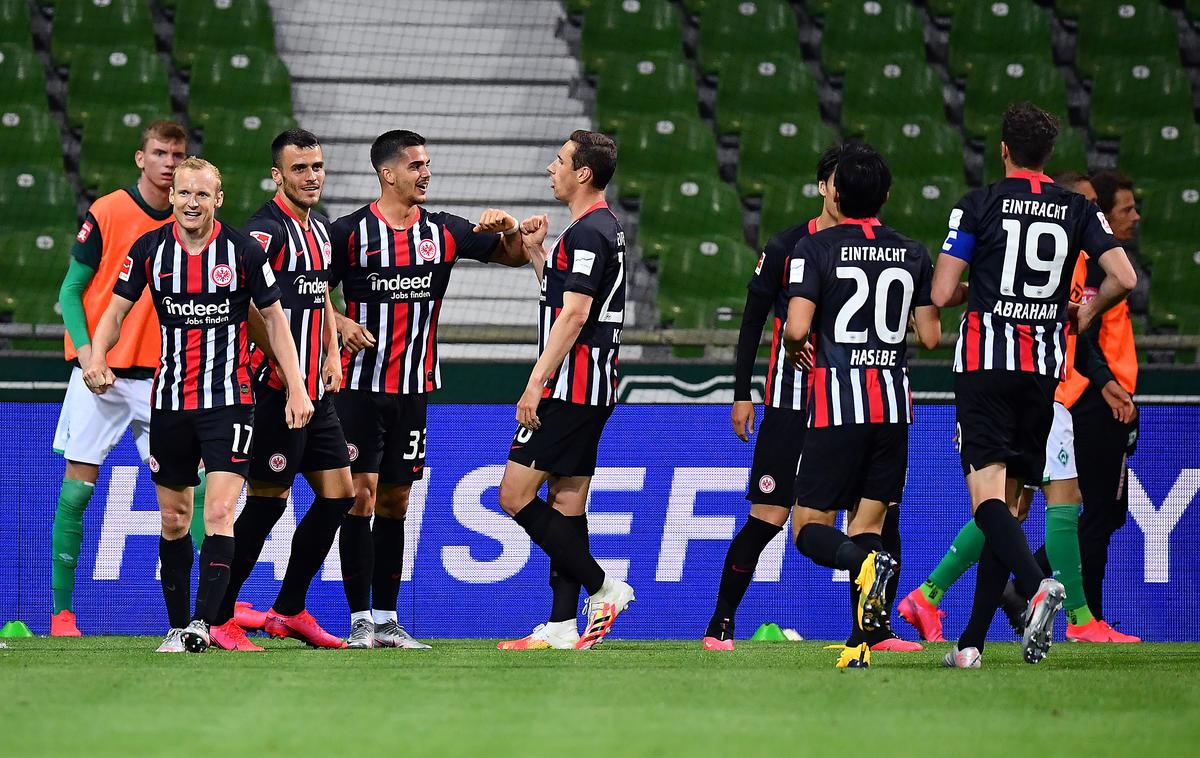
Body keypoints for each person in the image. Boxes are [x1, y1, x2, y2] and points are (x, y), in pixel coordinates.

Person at [931, 103, 1136, 669]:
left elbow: (945, 290)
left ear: (1003, 150)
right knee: (1015, 506)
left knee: (989, 502)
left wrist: (982, 282)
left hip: (984, 363)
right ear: (1048, 155)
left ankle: (1036, 584)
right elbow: (1125, 276)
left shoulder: (978, 204)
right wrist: (1083, 312)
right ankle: (971, 644)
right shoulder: (1076, 207)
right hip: (1043, 370)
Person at [82, 157, 314, 653]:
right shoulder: (148, 250)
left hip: (230, 401)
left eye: (202, 195)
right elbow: (115, 310)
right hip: (169, 403)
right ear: (172, 197)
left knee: (222, 510)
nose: (192, 202)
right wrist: (97, 356)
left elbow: (275, 322)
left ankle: (203, 626)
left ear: (218, 199)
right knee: (174, 519)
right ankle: (176, 624)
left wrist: (296, 386)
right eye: (184, 193)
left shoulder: (243, 251)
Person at [700, 142, 920, 653]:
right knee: (769, 515)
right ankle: (721, 623)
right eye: (833, 181)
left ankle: (873, 631)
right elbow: (753, 320)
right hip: (793, 400)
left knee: (877, 518)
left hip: (854, 402)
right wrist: (741, 393)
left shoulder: (874, 251)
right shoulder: (788, 246)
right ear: (824, 187)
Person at [327, 130, 529, 649]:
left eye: (428, 163)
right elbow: (303, 287)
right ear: (387, 173)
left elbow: (513, 256)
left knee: (395, 501)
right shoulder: (347, 233)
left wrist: (510, 229)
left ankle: (389, 622)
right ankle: (358, 622)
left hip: (413, 390)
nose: (426, 173)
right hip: (358, 388)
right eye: (415, 165)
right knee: (359, 499)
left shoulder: (446, 230)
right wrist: (340, 322)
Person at [781, 145, 941, 668]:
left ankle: (865, 568)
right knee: (869, 524)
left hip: (837, 405)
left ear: (836, 192)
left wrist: (790, 343)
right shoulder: (914, 252)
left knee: (809, 529)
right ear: (886, 197)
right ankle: (862, 639)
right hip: (893, 406)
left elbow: (799, 327)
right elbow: (931, 336)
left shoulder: (815, 247)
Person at [199, 129, 354, 651]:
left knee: (340, 495)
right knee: (266, 504)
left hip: (315, 392)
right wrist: (290, 381)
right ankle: (218, 617)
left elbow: (320, 300)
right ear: (277, 175)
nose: (311, 176)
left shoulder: (321, 231)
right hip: (274, 391)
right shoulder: (265, 232)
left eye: (317, 166)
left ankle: (288, 609)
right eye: (300, 169)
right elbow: (251, 309)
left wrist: (331, 353)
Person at [50, 120, 197, 637]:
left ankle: (199, 619)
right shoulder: (109, 211)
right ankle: (62, 616)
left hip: (163, 381)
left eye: (178, 155)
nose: (169, 163)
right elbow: (70, 291)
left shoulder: (194, 224)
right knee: (76, 493)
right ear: (141, 158)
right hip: (101, 377)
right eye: (160, 153)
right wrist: (90, 355)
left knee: (184, 497)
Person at [495, 130, 634, 651]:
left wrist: (535, 384)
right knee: (568, 500)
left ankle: (604, 587)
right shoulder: (599, 228)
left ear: (583, 174)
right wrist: (536, 256)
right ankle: (560, 624)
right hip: (593, 386)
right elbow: (569, 302)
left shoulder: (589, 234)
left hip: (570, 388)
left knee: (514, 495)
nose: (550, 169)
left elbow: (574, 316)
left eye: (559, 161)